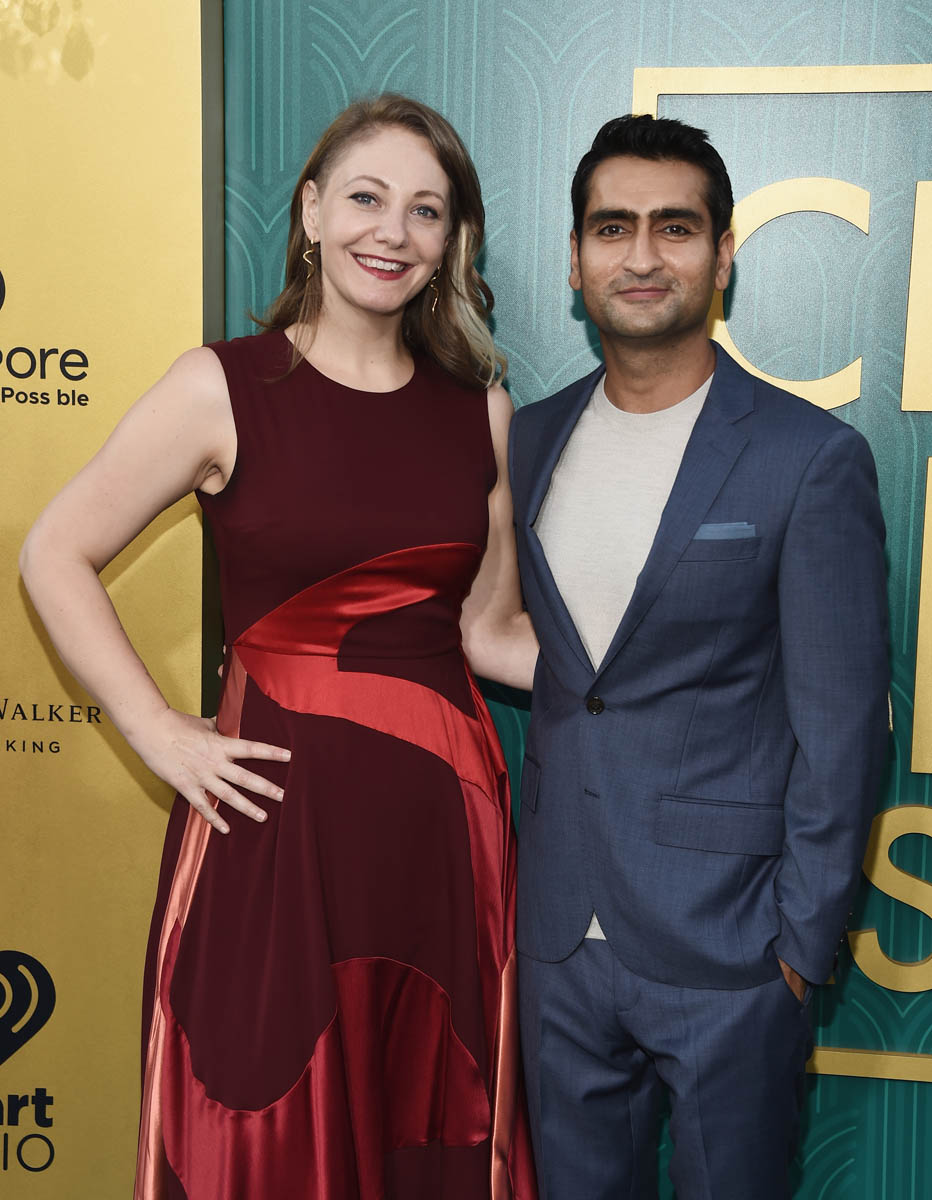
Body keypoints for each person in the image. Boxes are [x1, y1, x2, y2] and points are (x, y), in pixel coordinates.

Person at [21, 94, 539, 1200]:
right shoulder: (220, 385)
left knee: (426, 1126)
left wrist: (684, 677)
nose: (391, 232)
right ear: (310, 212)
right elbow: (53, 551)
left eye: (425, 210)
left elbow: (487, 631)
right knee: (258, 1123)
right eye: (365, 198)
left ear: (453, 240)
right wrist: (155, 728)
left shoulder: (480, 411)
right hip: (273, 829)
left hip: (440, 837)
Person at [508, 114, 889, 1199]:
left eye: (673, 227)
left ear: (722, 256)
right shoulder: (527, 438)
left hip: (732, 949)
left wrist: (797, 949)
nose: (641, 255)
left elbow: (840, 726)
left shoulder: (809, 457)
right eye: (611, 227)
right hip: (557, 941)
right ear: (574, 260)